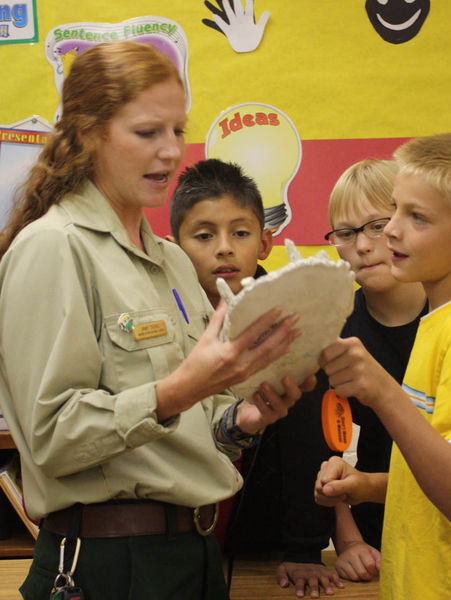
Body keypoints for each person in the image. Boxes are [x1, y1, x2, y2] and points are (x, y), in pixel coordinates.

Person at [0, 42, 314, 600]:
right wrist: (179, 389)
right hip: (108, 567)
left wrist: (240, 417)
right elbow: (51, 437)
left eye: (177, 130)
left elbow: (198, 427)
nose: (171, 152)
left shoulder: (170, 259)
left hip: (191, 555)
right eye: (148, 132)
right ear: (88, 133)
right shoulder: (52, 248)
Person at [315, 132, 451, 599]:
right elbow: (450, 467)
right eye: (394, 209)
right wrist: (370, 486)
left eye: (416, 217)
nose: (392, 230)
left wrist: (381, 390)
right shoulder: (446, 320)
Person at [170, 158, 340, 599]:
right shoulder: (166, 317)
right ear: (175, 247)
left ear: (265, 242)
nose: (223, 248)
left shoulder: (291, 317)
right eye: (204, 236)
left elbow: (307, 442)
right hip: (178, 534)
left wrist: (304, 548)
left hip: (268, 540)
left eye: (240, 233)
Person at [318, 159, 427, 581]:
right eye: (345, 233)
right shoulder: (332, 331)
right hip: (381, 541)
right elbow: (320, 449)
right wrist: (348, 540)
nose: (362, 246)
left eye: (376, 226)